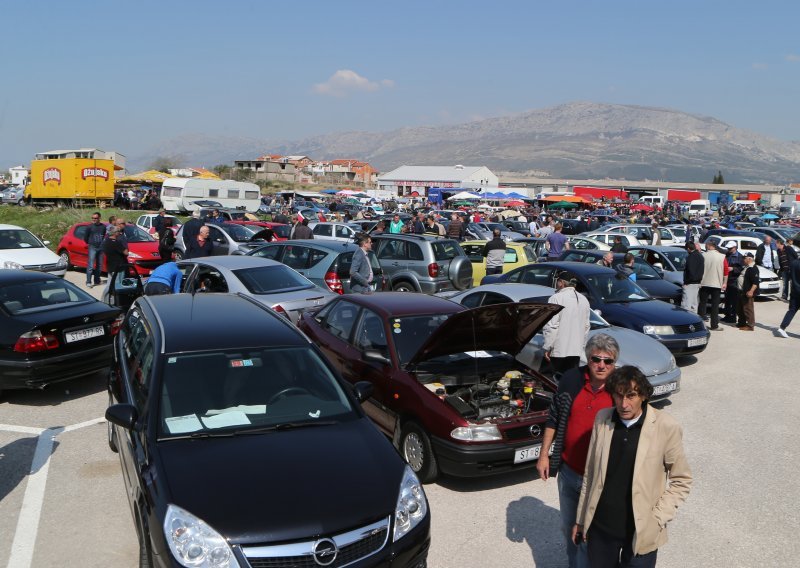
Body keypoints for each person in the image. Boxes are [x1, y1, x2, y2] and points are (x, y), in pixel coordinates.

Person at [573, 366, 692, 568]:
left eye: (631, 396)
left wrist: (658, 517)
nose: (624, 404)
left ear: (644, 395)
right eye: (618, 396)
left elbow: (682, 479)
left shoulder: (666, 426)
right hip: (602, 529)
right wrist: (581, 519)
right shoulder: (603, 419)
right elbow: (590, 474)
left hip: (641, 530)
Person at [536, 334, 619, 568]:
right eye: (596, 359)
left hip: (598, 480)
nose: (602, 365)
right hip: (569, 472)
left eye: (608, 361)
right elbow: (553, 417)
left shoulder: (619, 388)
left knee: (587, 535)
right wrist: (544, 455)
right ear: (588, 358)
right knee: (568, 529)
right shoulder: (571, 379)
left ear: (614, 363)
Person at [543, 271, 591, 373]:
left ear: (561, 283)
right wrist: (582, 346)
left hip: (558, 350)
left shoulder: (556, 298)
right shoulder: (584, 300)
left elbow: (551, 325)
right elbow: (586, 327)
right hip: (576, 351)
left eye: (557, 281)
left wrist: (548, 347)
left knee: (553, 382)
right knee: (570, 382)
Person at [698, 241, 727, 331]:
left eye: (706, 246)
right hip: (716, 283)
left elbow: (699, 269)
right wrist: (724, 282)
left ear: (709, 246)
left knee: (702, 304)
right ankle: (714, 325)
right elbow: (726, 271)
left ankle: (700, 324)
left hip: (704, 282)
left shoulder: (703, 255)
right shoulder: (722, 257)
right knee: (715, 306)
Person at [777, 256, 800, 338]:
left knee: (792, 310)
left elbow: (789, 275)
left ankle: (782, 327)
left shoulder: (793, 263)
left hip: (794, 291)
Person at [736, 252, 759, 331]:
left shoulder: (753, 268)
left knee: (748, 309)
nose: (743, 259)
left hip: (747, 292)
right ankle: (741, 323)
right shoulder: (746, 267)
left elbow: (755, 282)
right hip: (741, 291)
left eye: (745, 258)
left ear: (750, 259)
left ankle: (750, 325)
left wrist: (751, 291)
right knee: (740, 308)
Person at [722, 244, 744, 323]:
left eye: (730, 248)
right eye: (728, 248)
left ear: (734, 248)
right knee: (727, 299)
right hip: (727, 279)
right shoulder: (727, 255)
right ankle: (727, 315)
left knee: (734, 300)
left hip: (734, 280)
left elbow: (741, 268)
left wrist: (733, 268)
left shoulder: (740, 257)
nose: (729, 249)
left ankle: (733, 317)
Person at [83, 212, 106, 288]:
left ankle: (97, 280)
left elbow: (103, 236)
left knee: (99, 265)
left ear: (99, 218)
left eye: (95, 218)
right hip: (92, 247)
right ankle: (88, 281)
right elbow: (85, 238)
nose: (94, 219)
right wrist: (90, 243)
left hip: (100, 247)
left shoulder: (103, 227)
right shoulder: (89, 227)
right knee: (90, 265)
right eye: (92, 218)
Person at [681, 242, 704, 313]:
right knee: (694, 304)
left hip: (690, 283)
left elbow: (690, 271)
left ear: (688, 249)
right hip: (697, 282)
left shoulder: (690, 257)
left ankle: (685, 320)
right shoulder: (700, 256)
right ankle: (694, 319)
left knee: (686, 304)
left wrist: (687, 282)